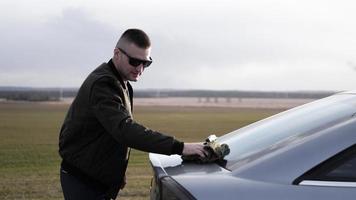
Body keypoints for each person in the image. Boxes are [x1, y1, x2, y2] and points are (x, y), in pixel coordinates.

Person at [58, 28, 206, 199]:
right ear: (117, 54)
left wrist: (115, 171)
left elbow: (110, 133)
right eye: (135, 61)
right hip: (83, 181)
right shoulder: (103, 84)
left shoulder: (123, 84)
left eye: (146, 63)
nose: (140, 68)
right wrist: (180, 147)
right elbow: (124, 130)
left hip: (95, 179)